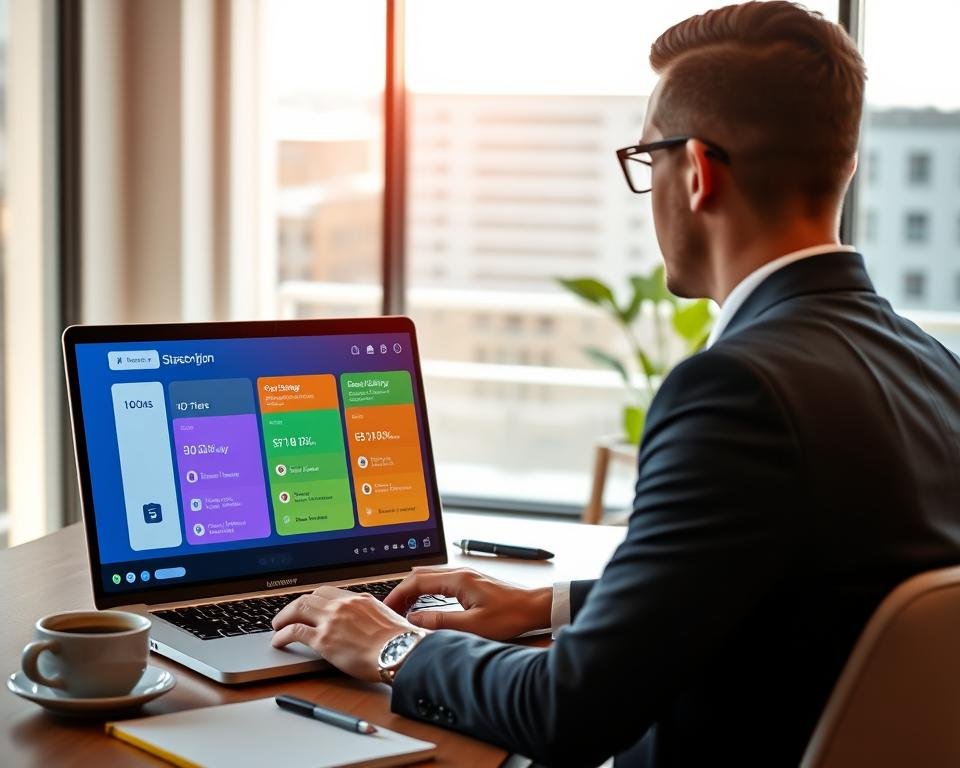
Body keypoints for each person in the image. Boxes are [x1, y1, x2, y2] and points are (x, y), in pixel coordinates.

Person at [271, 3, 960, 765]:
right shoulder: (927, 364)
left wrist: (393, 647)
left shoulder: (737, 390)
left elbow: (569, 712)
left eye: (646, 162)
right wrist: (550, 605)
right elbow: (794, 588)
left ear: (696, 172)